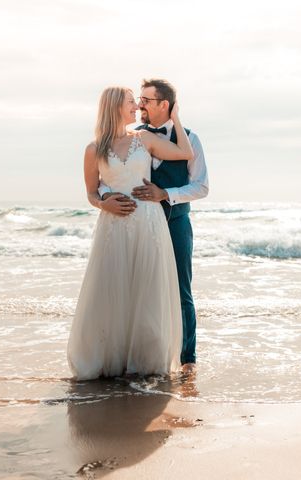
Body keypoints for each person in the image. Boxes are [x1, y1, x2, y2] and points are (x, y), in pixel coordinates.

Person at [67, 86, 194, 380]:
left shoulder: (145, 138)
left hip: (148, 224)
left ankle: (145, 362)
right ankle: (112, 359)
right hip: (113, 227)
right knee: (113, 293)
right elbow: (89, 192)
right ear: (114, 107)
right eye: (130, 102)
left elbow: (185, 153)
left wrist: (175, 118)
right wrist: (104, 203)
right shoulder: (93, 149)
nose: (137, 106)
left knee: (146, 292)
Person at [99, 79, 209, 370]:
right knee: (141, 290)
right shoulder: (134, 137)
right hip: (139, 225)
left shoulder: (191, 138)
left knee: (181, 290)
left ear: (164, 105)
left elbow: (201, 187)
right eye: (138, 100)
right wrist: (104, 196)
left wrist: (166, 195)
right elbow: (109, 173)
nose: (140, 105)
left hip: (175, 223)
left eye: (146, 100)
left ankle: (187, 360)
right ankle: (143, 356)